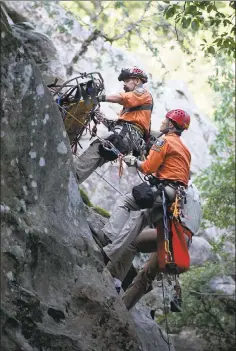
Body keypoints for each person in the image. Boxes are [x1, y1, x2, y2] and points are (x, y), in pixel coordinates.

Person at [101, 109, 191, 289]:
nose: (162, 123)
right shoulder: (185, 150)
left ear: (172, 125)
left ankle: (107, 239)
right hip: (174, 198)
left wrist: (134, 161)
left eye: (165, 120)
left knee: (125, 202)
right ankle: (116, 276)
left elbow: (148, 167)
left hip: (163, 191)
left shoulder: (164, 140)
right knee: (140, 218)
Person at [75, 67, 153, 184]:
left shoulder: (141, 93)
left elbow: (122, 98)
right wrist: (104, 120)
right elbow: (126, 123)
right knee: (98, 157)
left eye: (127, 81)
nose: (124, 84)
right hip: (125, 137)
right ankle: (73, 182)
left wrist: (98, 98)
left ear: (137, 81)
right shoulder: (137, 106)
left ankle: (68, 178)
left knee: (95, 150)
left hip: (124, 136)